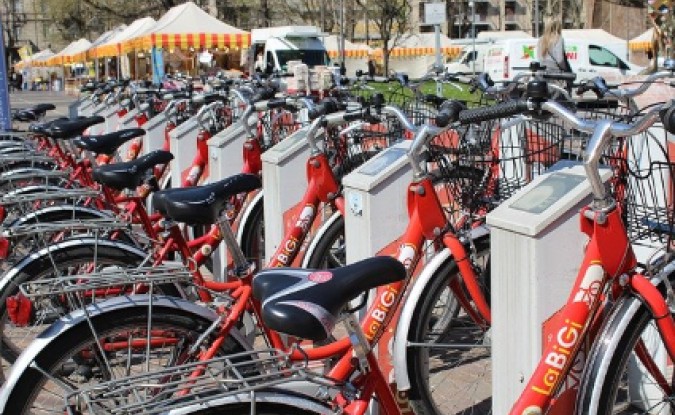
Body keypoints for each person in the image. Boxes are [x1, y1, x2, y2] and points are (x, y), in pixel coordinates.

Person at [537, 15, 573, 92]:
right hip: (556, 76)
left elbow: (540, 58)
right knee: (560, 100)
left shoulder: (541, 40)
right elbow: (560, 60)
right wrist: (565, 69)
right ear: (557, 26)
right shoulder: (558, 38)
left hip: (543, 74)